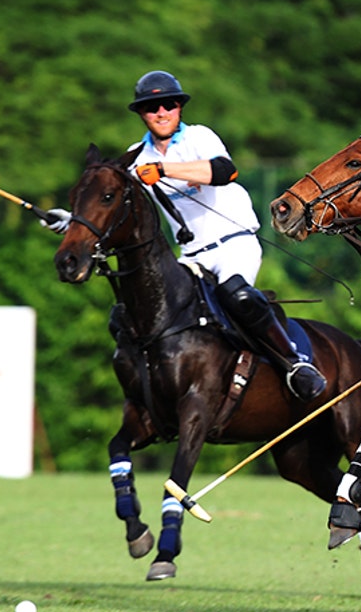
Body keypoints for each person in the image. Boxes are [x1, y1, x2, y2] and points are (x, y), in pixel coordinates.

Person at [44, 70, 325, 401]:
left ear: (179, 107)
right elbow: (111, 203)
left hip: (235, 243)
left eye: (168, 105)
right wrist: (73, 222)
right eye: (152, 107)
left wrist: (165, 171)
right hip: (192, 256)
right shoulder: (137, 156)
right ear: (141, 114)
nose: (161, 112)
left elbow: (224, 171)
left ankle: (294, 363)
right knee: (139, 313)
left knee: (239, 296)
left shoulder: (199, 138)